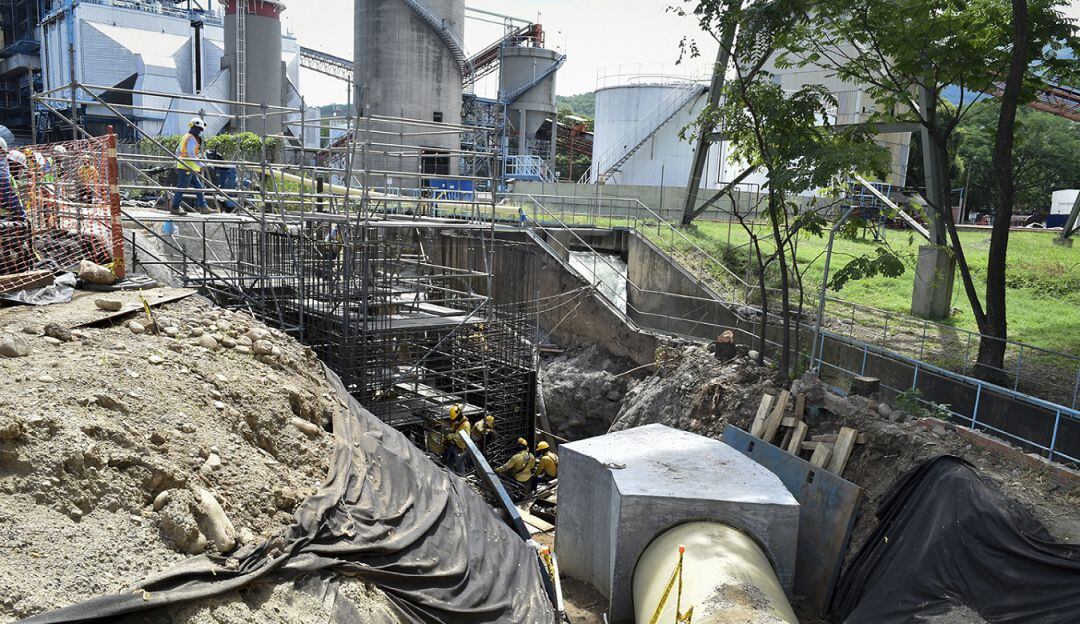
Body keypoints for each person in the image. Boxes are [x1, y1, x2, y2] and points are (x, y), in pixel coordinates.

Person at [172, 117, 212, 216]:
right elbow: (190, 153)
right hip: (187, 168)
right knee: (181, 188)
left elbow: (177, 151)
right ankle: (175, 208)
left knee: (198, 186)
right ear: (195, 128)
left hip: (188, 167)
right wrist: (201, 165)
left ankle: (203, 206)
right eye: (200, 130)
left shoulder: (186, 136)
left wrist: (178, 163)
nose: (200, 132)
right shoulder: (192, 138)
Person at [441, 403, 471, 474]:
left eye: (455, 419)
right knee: (449, 461)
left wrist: (451, 435)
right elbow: (456, 429)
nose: (454, 421)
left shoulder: (466, 425)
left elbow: (463, 438)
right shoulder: (459, 421)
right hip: (454, 446)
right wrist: (450, 430)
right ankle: (448, 472)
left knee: (459, 464)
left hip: (460, 448)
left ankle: (461, 477)